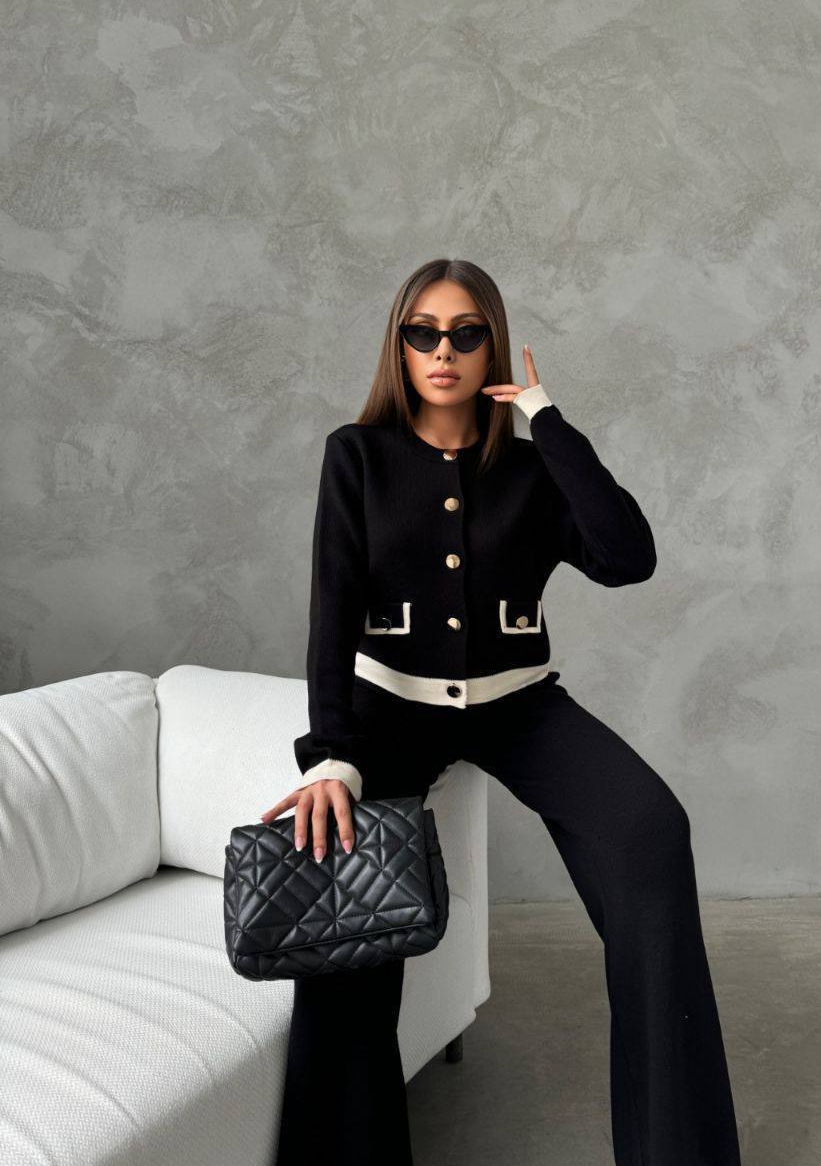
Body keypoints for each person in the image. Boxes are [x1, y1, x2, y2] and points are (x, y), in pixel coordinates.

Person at [262, 257, 742, 1166]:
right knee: (343, 907)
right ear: (398, 346)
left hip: (521, 709)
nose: (443, 350)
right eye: (423, 333)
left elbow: (627, 555)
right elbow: (331, 615)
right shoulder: (355, 456)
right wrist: (331, 757)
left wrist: (547, 421)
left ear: (492, 344)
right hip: (389, 714)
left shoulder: (531, 465)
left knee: (650, 832)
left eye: (465, 333)